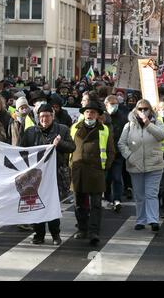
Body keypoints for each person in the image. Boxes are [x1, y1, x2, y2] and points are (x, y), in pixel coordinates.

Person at [20, 104, 76, 245]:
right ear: (38, 118)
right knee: (36, 204)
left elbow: (72, 147)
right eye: (42, 116)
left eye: (47, 116)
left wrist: (60, 143)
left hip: (55, 174)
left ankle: (55, 234)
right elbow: (21, 151)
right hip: (36, 176)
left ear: (53, 116)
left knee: (52, 205)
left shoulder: (62, 130)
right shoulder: (30, 131)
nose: (44, 119)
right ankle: (39, 234)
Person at [70, 101, 115, 246]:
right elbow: (69, 147)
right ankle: (82, 228)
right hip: (78, 172)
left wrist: (105, 166)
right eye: (88, 112)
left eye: (93, 112)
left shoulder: (104, 129)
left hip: (96, 171)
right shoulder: (74, 128)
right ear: (83, 114)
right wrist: (70, 165)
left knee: (96, 204)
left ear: (97, 115)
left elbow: (110, 150)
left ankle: (94, 231)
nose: (90, 114)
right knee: (78, 204)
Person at [118, 99, 164, 232]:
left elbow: (162, 135)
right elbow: (121, 144)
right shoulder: (129, 125)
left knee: (151, 194)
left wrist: (148, 124)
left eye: (146, 108)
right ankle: (141, 220)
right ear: (135, 110)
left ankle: (153, 220)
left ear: (150, 110)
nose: (143, 111)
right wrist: (130, 156)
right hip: (135, 165)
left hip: (154, 165)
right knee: (139, 195)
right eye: (140, 109)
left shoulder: (157, 122)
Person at [104, 95, 128, 212]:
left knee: (117, 177)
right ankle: (107, 196)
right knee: (107, 177)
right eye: (112, 104)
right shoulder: (101, 117)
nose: (114, 106)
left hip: (118, 153)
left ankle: (117, 199)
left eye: (116, 104)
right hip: (105, 153)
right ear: (106, 105)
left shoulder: (123, 118)